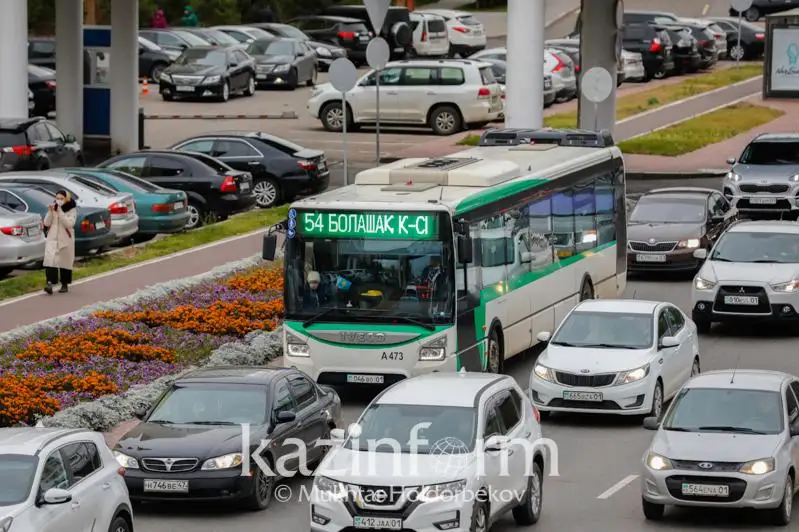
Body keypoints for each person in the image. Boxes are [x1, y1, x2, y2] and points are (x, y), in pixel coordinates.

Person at [42, 190, 77, 295]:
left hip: (65, 238)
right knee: (50, 260)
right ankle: (50, 283)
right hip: (53, 238)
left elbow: (69, 224)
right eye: (57, 198)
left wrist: (60, 211)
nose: (59, 200)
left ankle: (64, 284)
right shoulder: (54, 207)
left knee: (65, 262)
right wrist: (50, 212)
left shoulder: (71, 209)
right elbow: (46, 223)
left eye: (61, 198)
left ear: (66, 198)